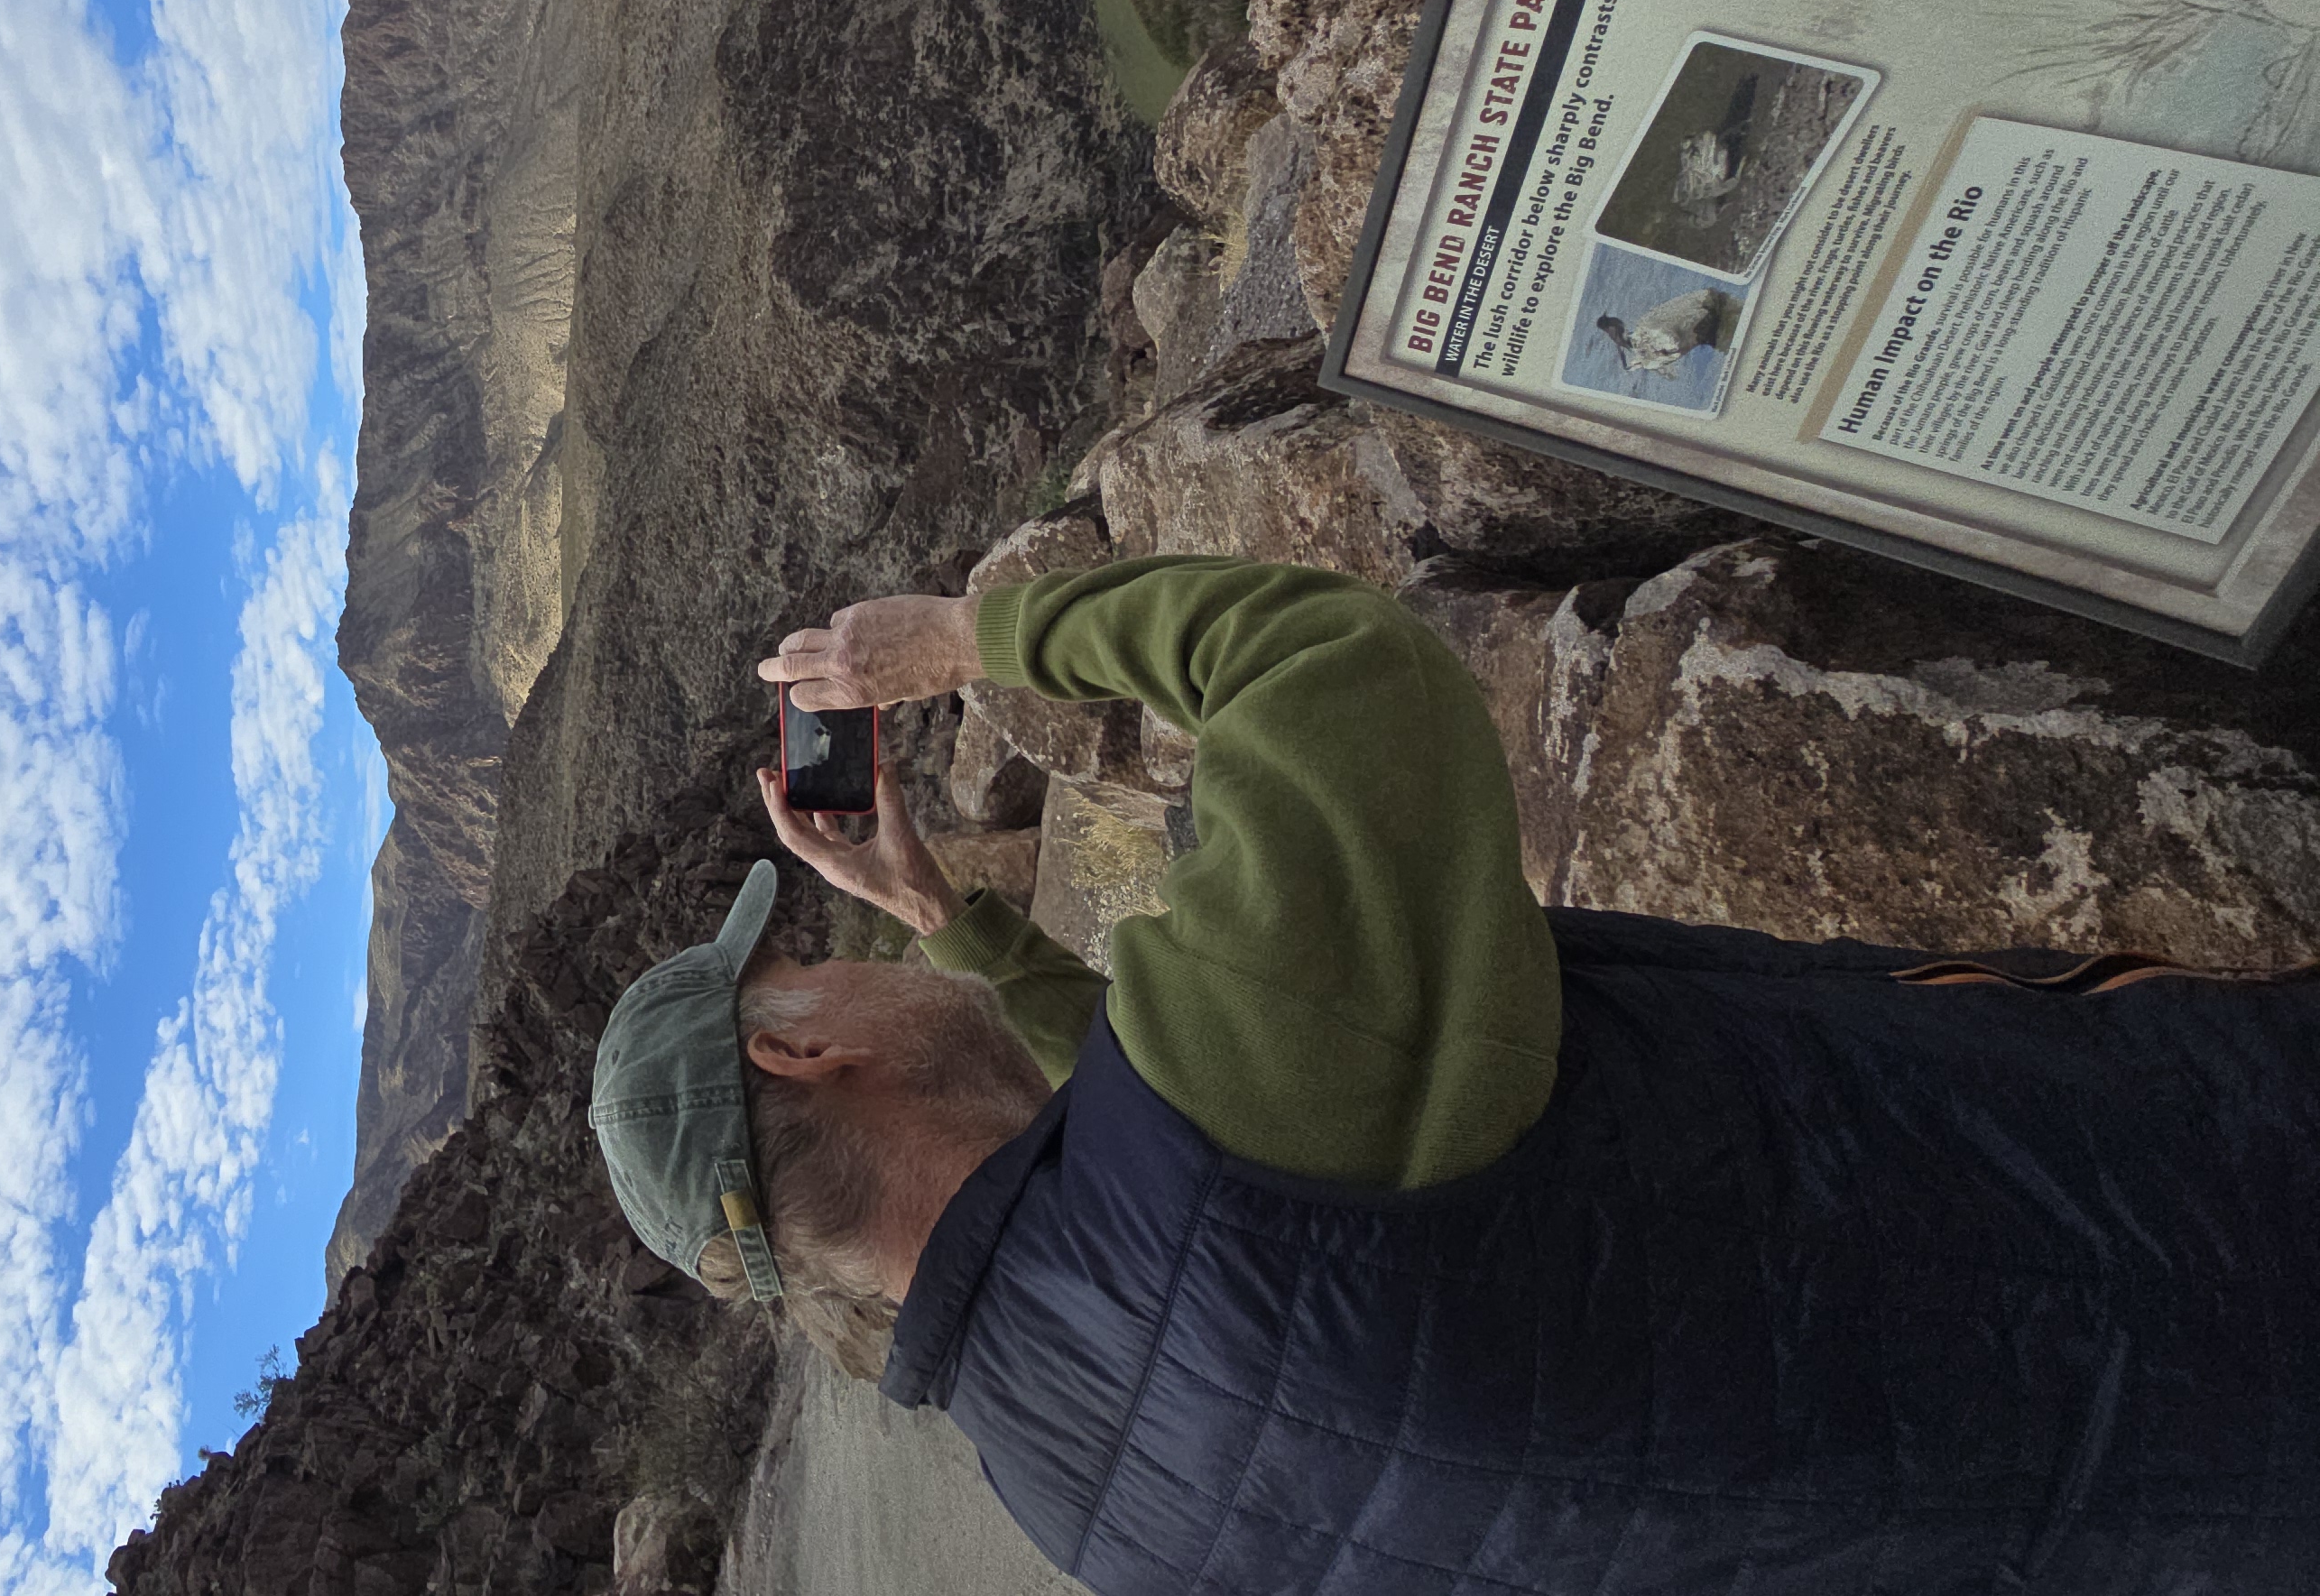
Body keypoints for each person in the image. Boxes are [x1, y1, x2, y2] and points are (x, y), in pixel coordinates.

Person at [588, 556, 2320, 1594]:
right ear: (797, 1045)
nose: (857, 956)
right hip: (2176, 1245)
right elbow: (1342, 675)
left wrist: (962, 924)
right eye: (815, 962)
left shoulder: (1085, 1496)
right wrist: (973, 640)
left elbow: (1177, 1190)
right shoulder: (1241, 1104)